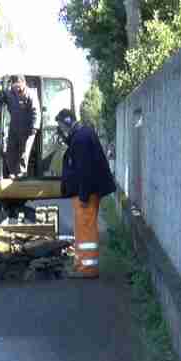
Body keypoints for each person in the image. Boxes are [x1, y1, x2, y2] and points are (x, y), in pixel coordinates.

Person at [55, 109, 116, 279]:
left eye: (61, 126)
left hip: (86, 194)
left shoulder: (80, 139)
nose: (62, 129)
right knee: (82, 229)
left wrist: (83, 196)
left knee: (86, 229)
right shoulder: (82, 134)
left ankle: (88, 269)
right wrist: (66, 138)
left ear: (66, 123)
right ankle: (81, 264)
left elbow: (84, 170)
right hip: (88, 192)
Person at [0, 75, 37, 178]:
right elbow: (2, 99)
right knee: (10, 150)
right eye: (14, 87)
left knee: (23, 151)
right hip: (14, 126)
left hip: (28, 128)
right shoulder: (10, 93)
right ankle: (12, 172)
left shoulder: (30, 94)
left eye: (18, 86)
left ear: (24, 83)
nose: (17, 89)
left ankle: (21, 173)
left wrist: (34, 127)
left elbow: (35, 111)